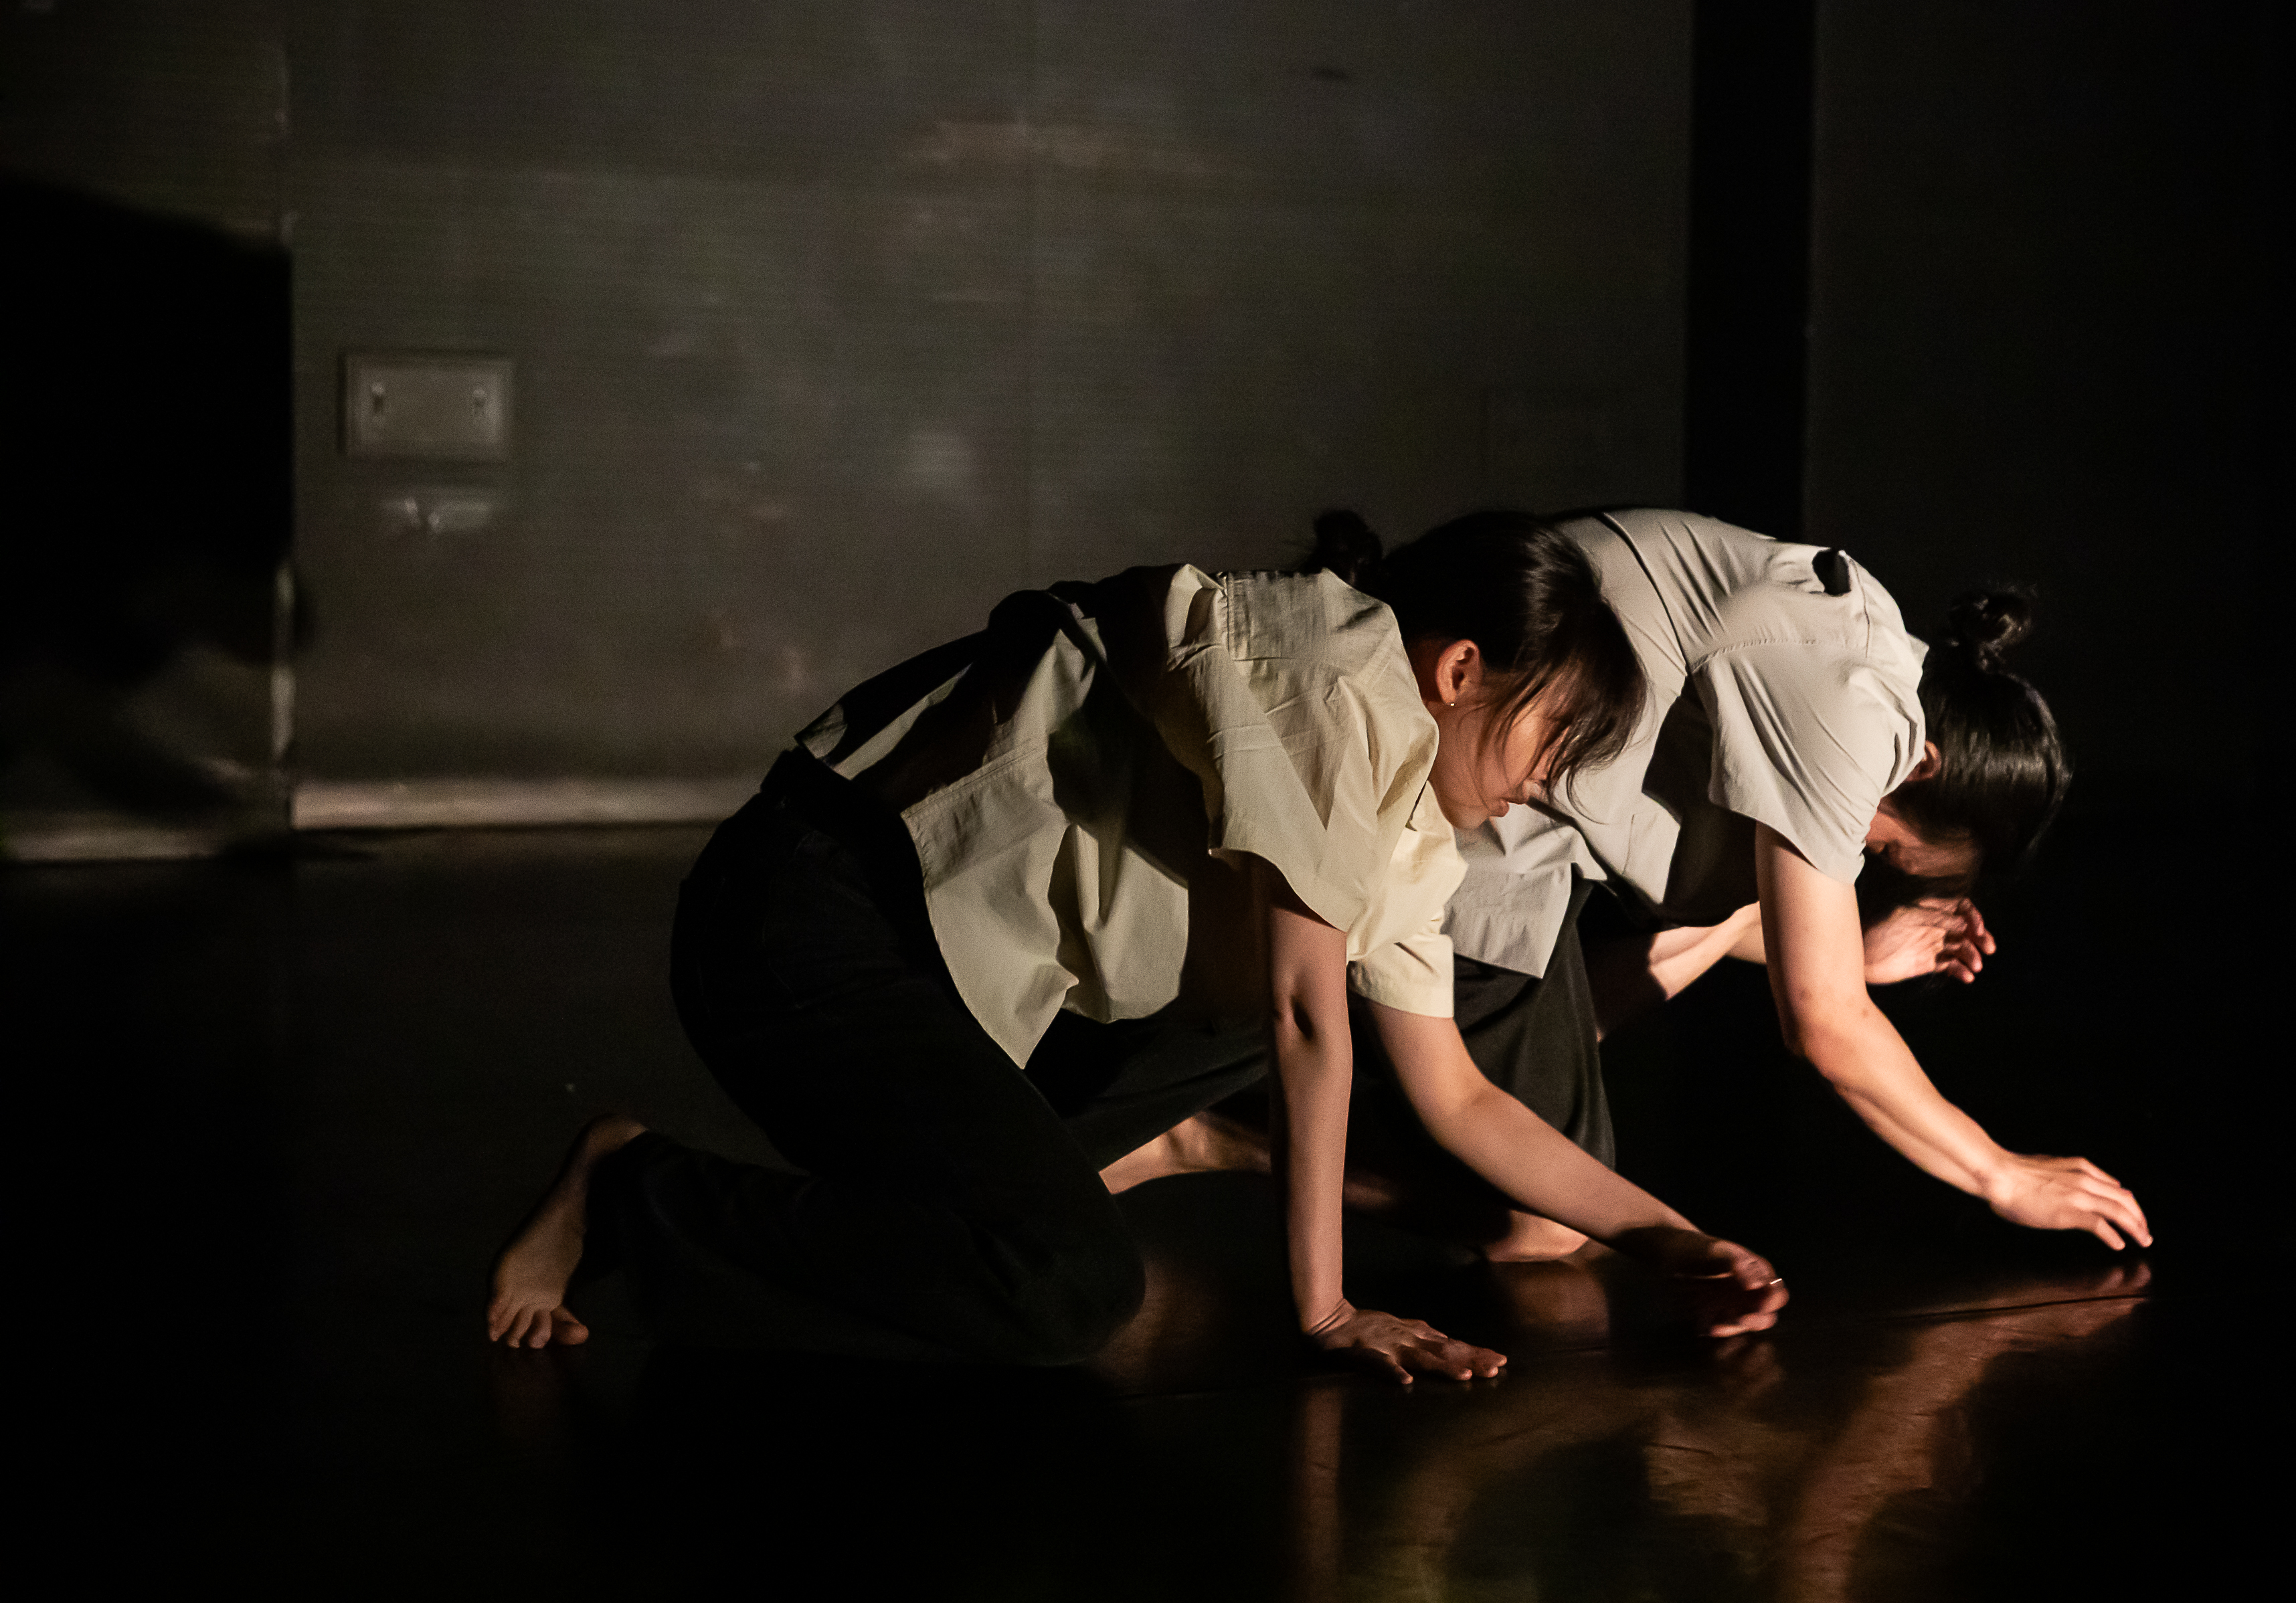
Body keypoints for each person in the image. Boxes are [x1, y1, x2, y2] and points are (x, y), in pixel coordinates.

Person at [487, 512, 1787, 1380]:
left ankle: (1044, 1167)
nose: (1546, 788)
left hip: (959, 982)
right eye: (1552, 742)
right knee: (1065, 1287)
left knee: (1072, 1196)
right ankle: (631, 1188)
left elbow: (1456, 1094)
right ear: (1459, 670)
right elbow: (1303, 1021)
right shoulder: (1331, 677)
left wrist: (1672, 1239)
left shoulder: (1409, 830)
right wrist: (1325, 1309)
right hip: (805, 915)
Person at [1446, 508, 2150, 1254]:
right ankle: (1355, 1163)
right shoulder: (1852, 712)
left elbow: (1757, 923)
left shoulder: (1889, 666)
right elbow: (1823, 1021)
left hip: (1523, 803)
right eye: (1887, 850)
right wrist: (2000, 1173)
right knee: (1544, 1223)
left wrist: (1852, 954)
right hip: (1470, 779)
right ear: (1924, 768)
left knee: (1743, 886)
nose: (1864, 857)